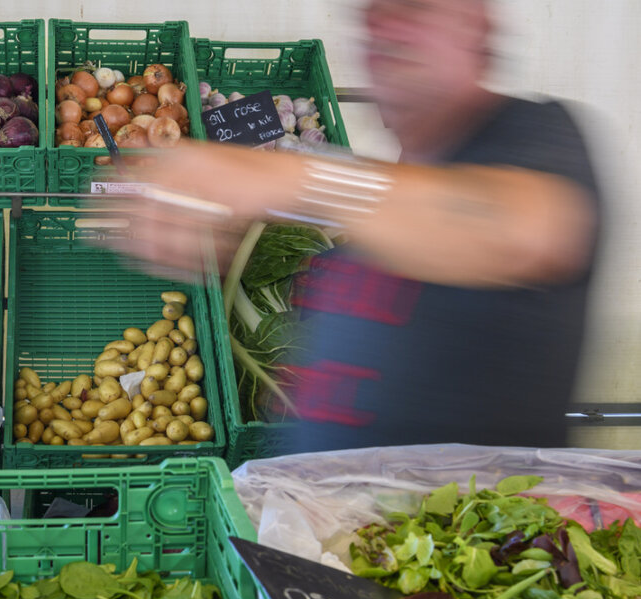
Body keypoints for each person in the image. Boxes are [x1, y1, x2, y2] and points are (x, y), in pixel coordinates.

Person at [103, 0, 601, 452]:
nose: (386, 28)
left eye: (416, 9)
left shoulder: (537, 136)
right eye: (373, 14)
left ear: (476, 25)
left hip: (467, 541)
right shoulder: (382, 212)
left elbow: (523, 228)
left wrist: (287, 177)